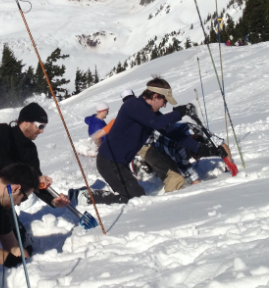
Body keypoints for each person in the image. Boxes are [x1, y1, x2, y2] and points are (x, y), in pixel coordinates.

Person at [92, 77, 226, 204]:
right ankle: (90, 198)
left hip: (118, 163)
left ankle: (93, 197)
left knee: (135, 197)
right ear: (155, 96)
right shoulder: (133, 105)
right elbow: (157, 123)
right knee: (134, 199)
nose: (164, 105)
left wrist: (202, 149)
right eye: (164, 101)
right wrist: (180, 112)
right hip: (109, 161)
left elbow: (171, 132)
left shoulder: (149, 113)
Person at [0, 102, 69, 210]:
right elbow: (3, 162)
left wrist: (52, 200)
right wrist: (34, 178)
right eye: (39, 126)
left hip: (1, 200)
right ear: (26, 122)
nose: (41, 131)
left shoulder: (30, 149)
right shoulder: (2, 132)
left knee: (12, 227)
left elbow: (36, 180)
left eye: (43, 127)